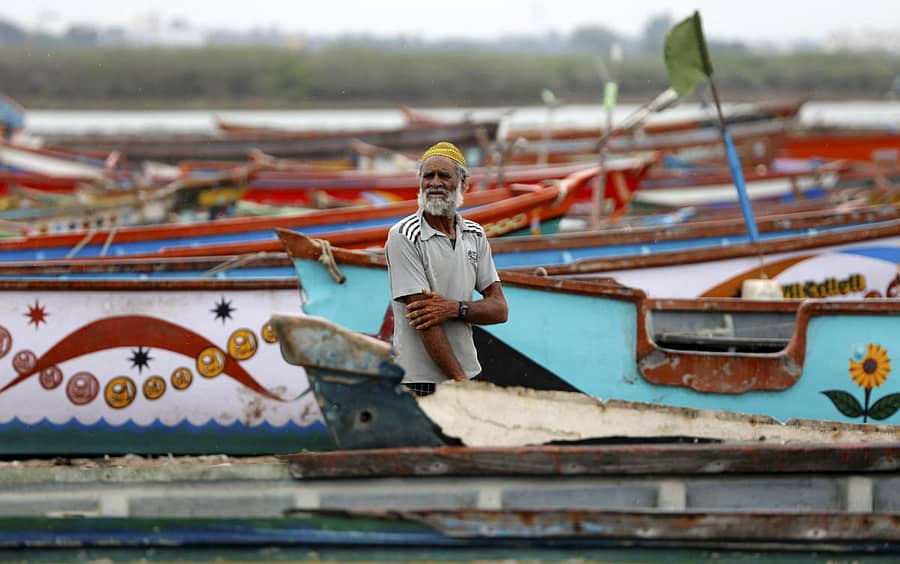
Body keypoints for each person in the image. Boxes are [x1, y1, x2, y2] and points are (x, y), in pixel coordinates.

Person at [385, 141, 508, 396]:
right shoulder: (405, 236)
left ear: (463, 184)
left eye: (444, 176)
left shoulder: (475, 234)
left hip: (468, 372)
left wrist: (455, 308)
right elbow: (425, 320)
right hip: (420, 379)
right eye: (428, 176)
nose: (435, 183)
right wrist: (460, 383)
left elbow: (499, 309)